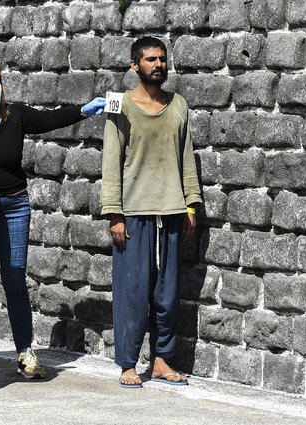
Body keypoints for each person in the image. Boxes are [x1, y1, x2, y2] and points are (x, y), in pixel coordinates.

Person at [0, 57, 106, 380]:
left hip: (13, 205)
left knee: (15, 280)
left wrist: (85, 110)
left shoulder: (13, 114)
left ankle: (24, 352)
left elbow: (48, 120)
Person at [100, 37, 202, 388]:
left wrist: (191, 204)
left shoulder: (179, 105)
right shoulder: (120, 105)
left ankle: (161, 361)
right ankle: (128, 364)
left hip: (172, 210)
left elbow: (187, 158)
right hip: (133, 213)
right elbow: (110, 159)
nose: (158, 65)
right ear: (134, 65)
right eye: (150, 60)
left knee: (167, 293)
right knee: (132, 292)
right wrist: (114, 212)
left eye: (162, 59)